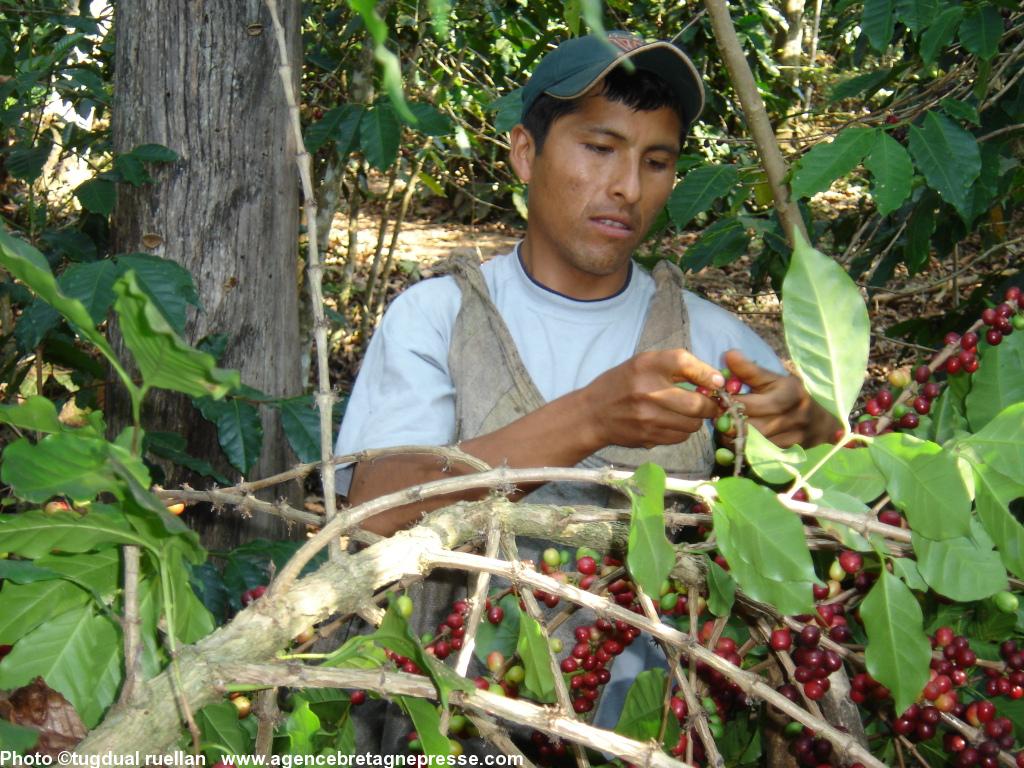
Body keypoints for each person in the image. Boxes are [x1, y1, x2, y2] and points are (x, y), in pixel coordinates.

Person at [335, 30, 838, 749]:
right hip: (454, 735)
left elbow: (846, 513)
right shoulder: (440, 318)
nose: (628, 188)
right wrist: (591, 418)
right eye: (599, 149)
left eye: (656, 161)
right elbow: (375, 511)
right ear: (525, 153)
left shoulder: (709, 339)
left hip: (655, 741)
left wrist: (814, 434)